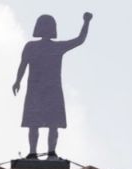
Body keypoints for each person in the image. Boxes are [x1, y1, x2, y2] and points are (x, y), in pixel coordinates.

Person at [12, 12, 93, 159]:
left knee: (51, 124)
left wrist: (86, 22)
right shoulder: (32, 47)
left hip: (50, 89)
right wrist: (17, 81)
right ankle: (33, 153)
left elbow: (80, 40)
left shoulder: (53, 47)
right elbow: (22, 65)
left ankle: (49, 152)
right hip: (37, 89)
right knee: (35, 123)